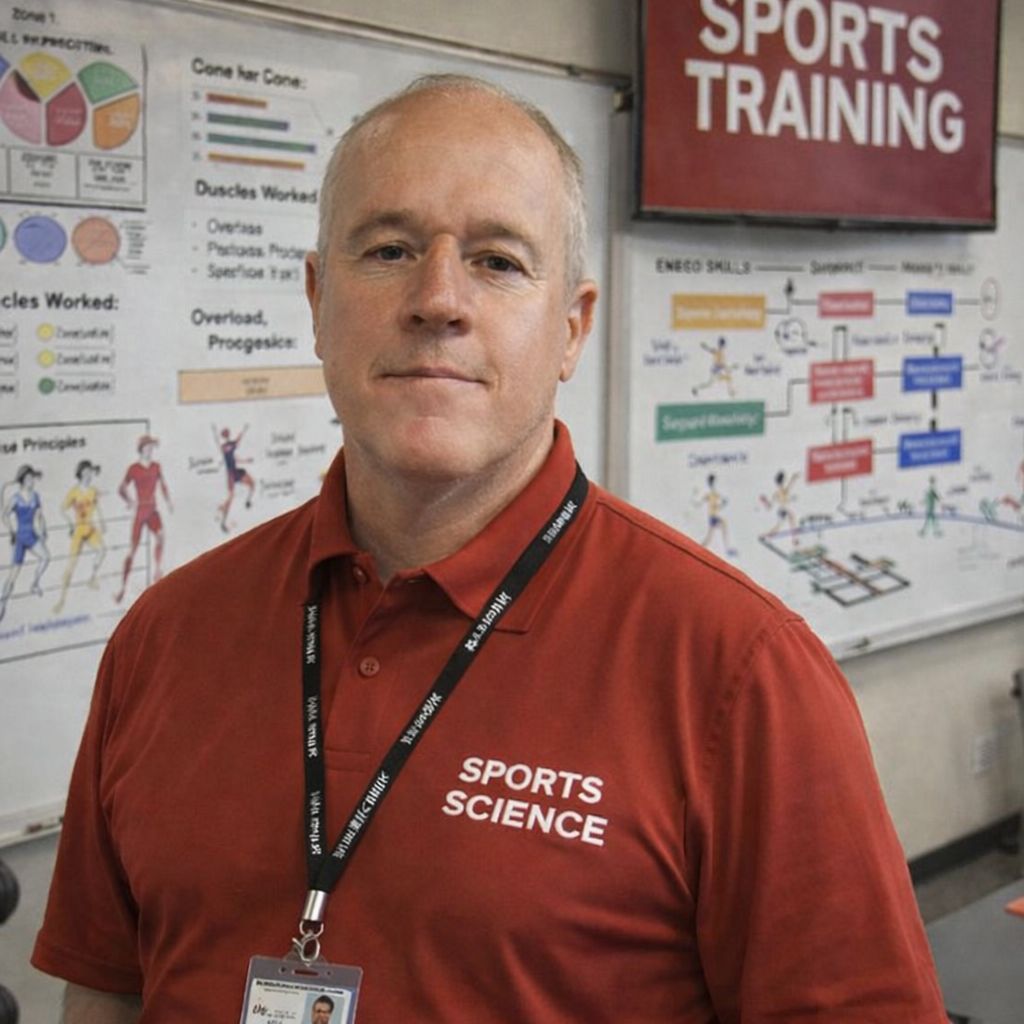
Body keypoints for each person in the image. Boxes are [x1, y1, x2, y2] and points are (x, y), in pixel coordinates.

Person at [34, 75, 945, 1023]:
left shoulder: (739, 673)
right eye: (389, 250)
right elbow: (104, 989)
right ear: (316, 299)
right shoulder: (165, 635)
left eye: (498, 262)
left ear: (572, 329)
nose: (438, 300)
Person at [113, 435, 172, 603]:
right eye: (147, 448)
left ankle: (157, 571)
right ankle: (122, 588)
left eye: (152, 448)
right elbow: (121, 488)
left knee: (161, 537)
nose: (150, 451)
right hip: (141, 511)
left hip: (152, 510)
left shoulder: (156, 466)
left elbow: (163, 485)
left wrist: (168, 501)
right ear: (141, 449)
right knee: (133, 550)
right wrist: (130, 501)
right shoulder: (133, 468)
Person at [53, 459, 106, 614]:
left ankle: (91, 578)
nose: (89, 474)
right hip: (79, 530)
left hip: (90, 528)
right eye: (86, 471)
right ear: (81, 473)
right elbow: (62, 509)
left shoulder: (93, 490)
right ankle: (61, 600)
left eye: (90, 471)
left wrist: (102, 522)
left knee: (102, 550)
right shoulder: (74, 491)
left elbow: (98, 506)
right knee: (71, 565)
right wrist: (70, 524)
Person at [0, 464, 50, 621]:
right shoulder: (16, 498)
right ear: (22, 480)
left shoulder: (35, 496)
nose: (32, 481)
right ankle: (2, 603)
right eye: (29, 478)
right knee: (13, 574)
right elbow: (4, 515)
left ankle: (35, 583)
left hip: (32, 535)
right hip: (21, 538)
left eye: (32, 478)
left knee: (46, 557)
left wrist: (43, 530)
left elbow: (40, 515)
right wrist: (11, 530)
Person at [213, 423, 255, 532]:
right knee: (231, 497)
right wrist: (243, 430)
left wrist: (244, 430)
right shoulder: (225, 446)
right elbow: (234, 442)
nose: (227, 435)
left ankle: (248, 501)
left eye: (227, 433)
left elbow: (235, 456)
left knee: (252, 483)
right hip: (231, 474)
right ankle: (223, 521)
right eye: (225, 433)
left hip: (235, 472)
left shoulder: (230, 445)